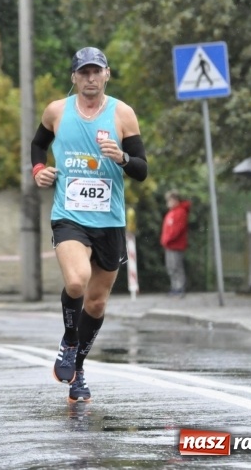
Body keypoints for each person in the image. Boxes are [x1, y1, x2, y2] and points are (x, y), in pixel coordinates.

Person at [30, 46, 148, 404]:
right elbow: (38, 145)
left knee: (96, 304)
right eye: (84, 73)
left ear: (107, 74)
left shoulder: (122, 114)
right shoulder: (57, 111)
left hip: (109, 221)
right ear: (74, 78)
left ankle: (77, 370)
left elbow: (142, 169)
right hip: (70, 215)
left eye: (96, 72)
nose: (91, 78)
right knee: (77, 280)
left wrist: (123, 157)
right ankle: (69, 340)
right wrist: (39, 170)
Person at [160, 190, 190, 297]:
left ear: (175, 200)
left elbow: (176, 229)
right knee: (171, 267)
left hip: (175, 245)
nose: (168, 203)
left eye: (170, 200)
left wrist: (167, 239)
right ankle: (174, 287)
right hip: (169, 245)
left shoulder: (180, 212)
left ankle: (179, 287)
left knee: (176, 267)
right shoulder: (172, 213)